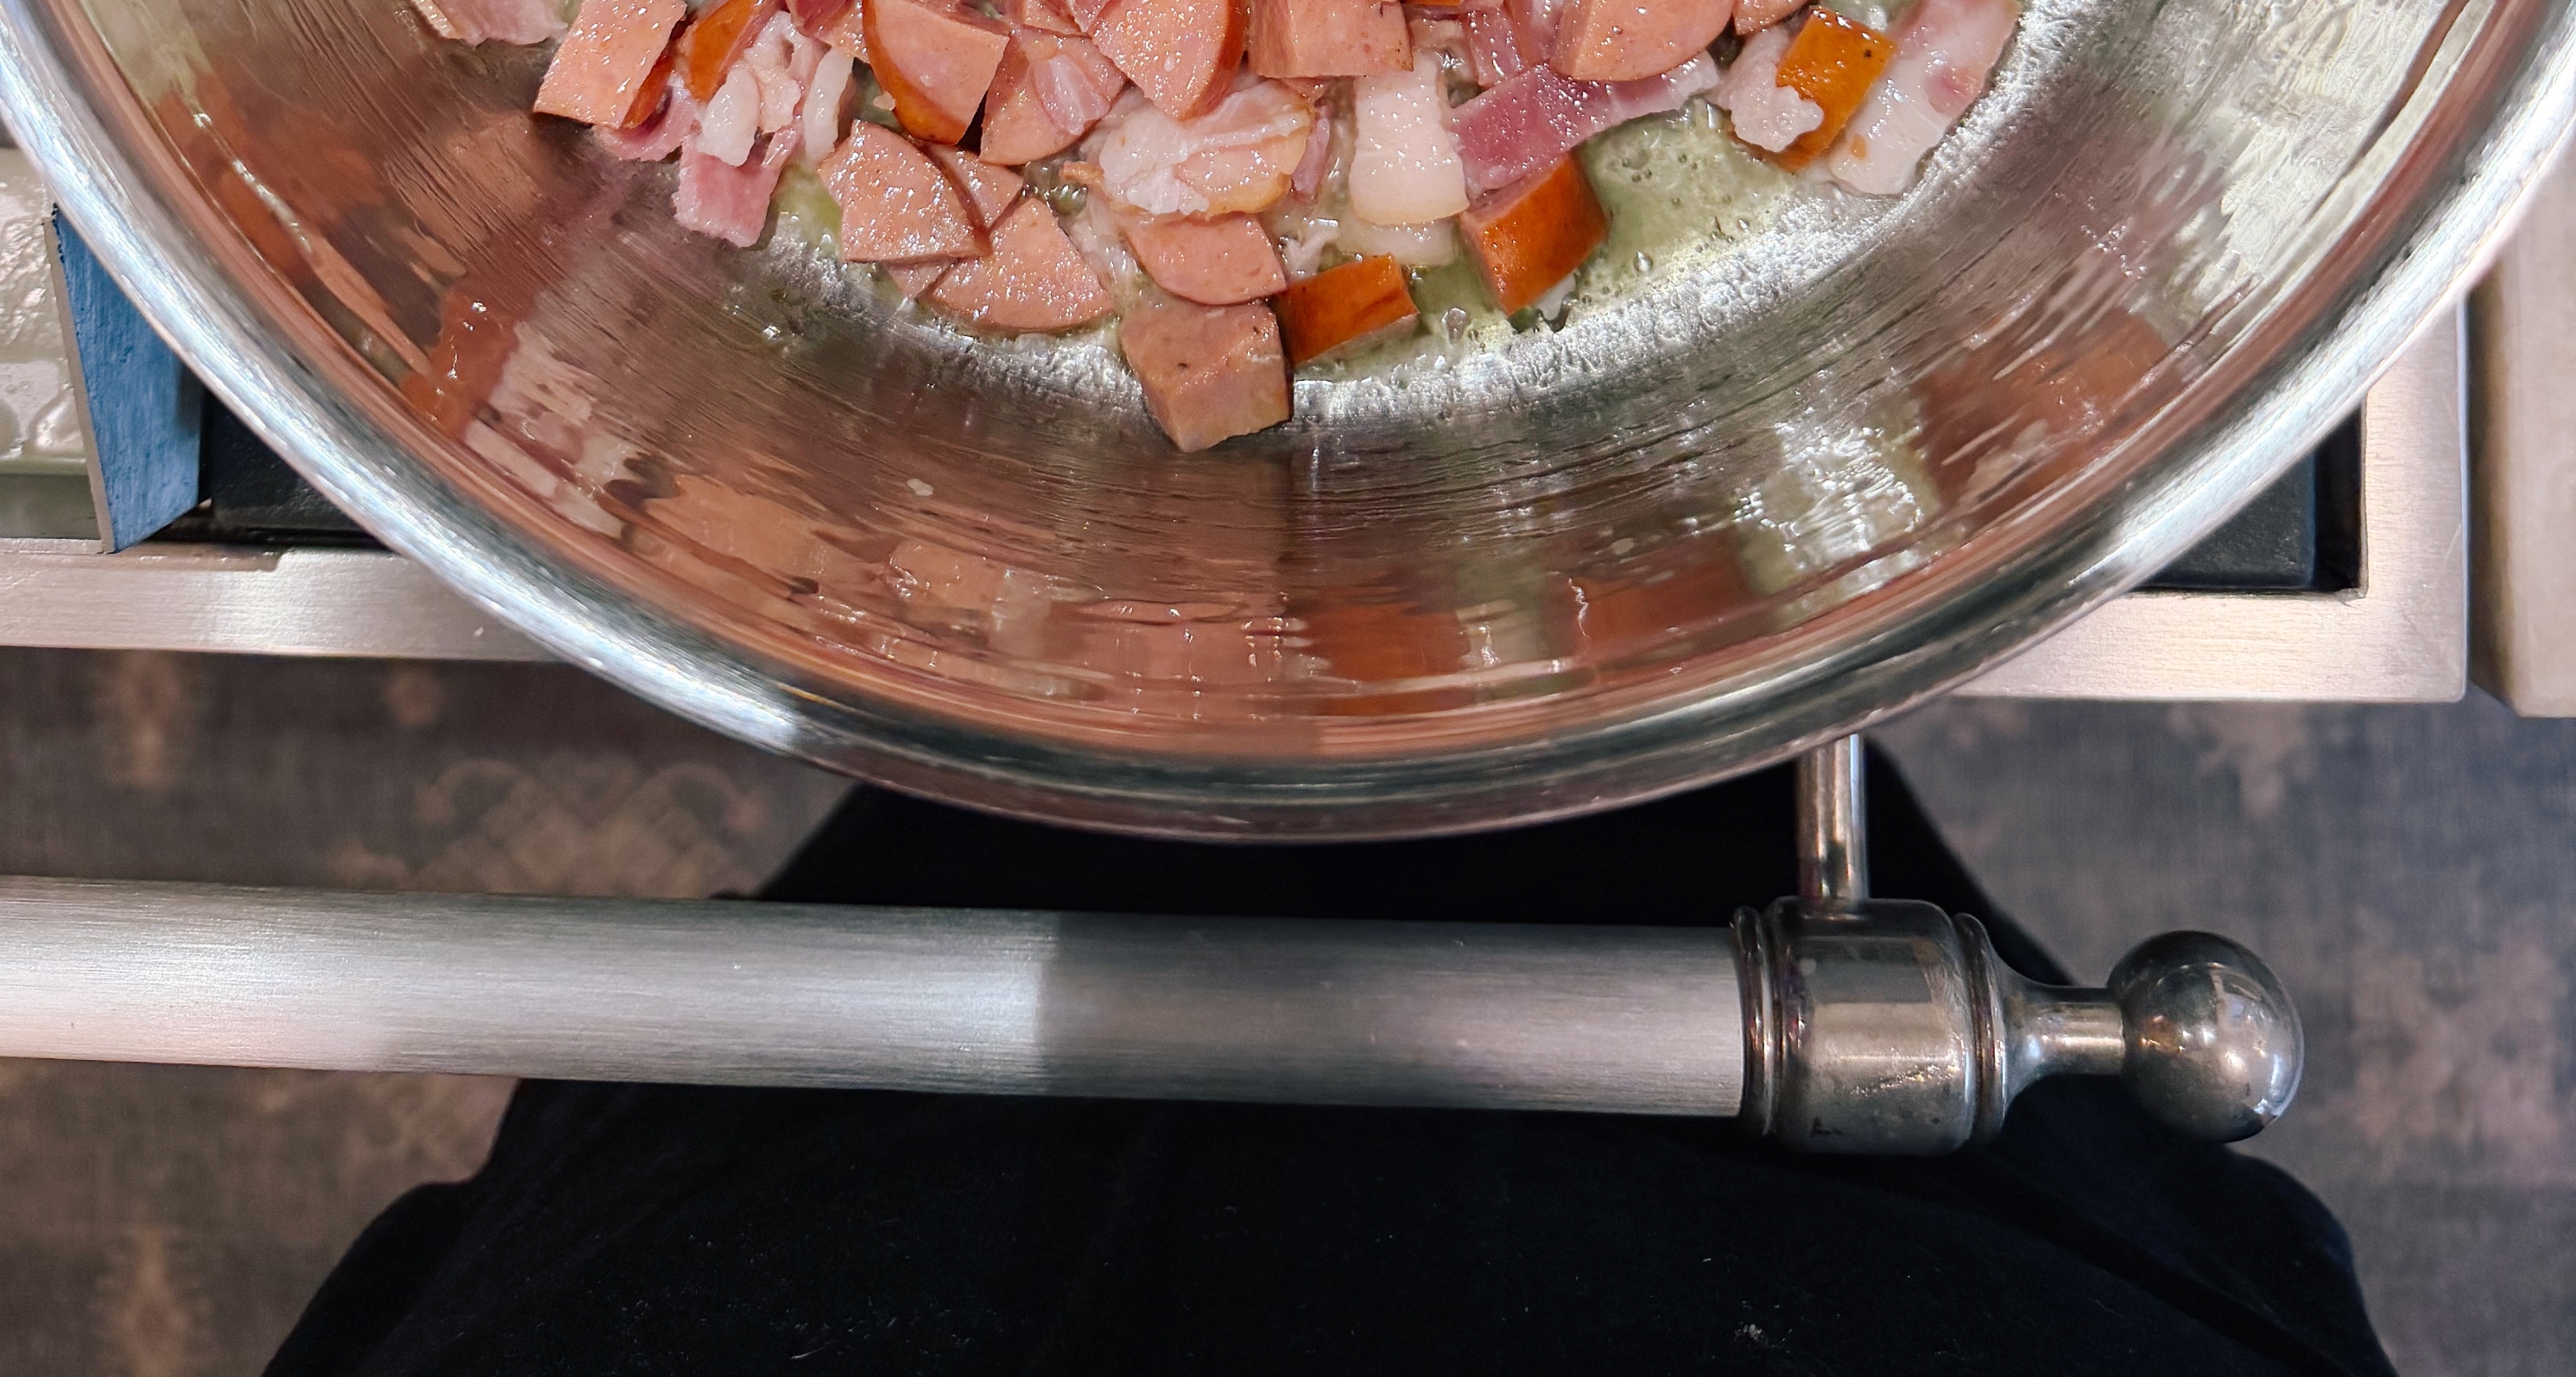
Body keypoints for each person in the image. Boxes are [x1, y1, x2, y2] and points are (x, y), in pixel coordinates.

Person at [269, 747, 2395, 1374]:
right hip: (1884, 1211)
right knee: (1701, 736)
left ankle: (1077, 723)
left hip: (829, 1185)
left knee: (1009, 771)